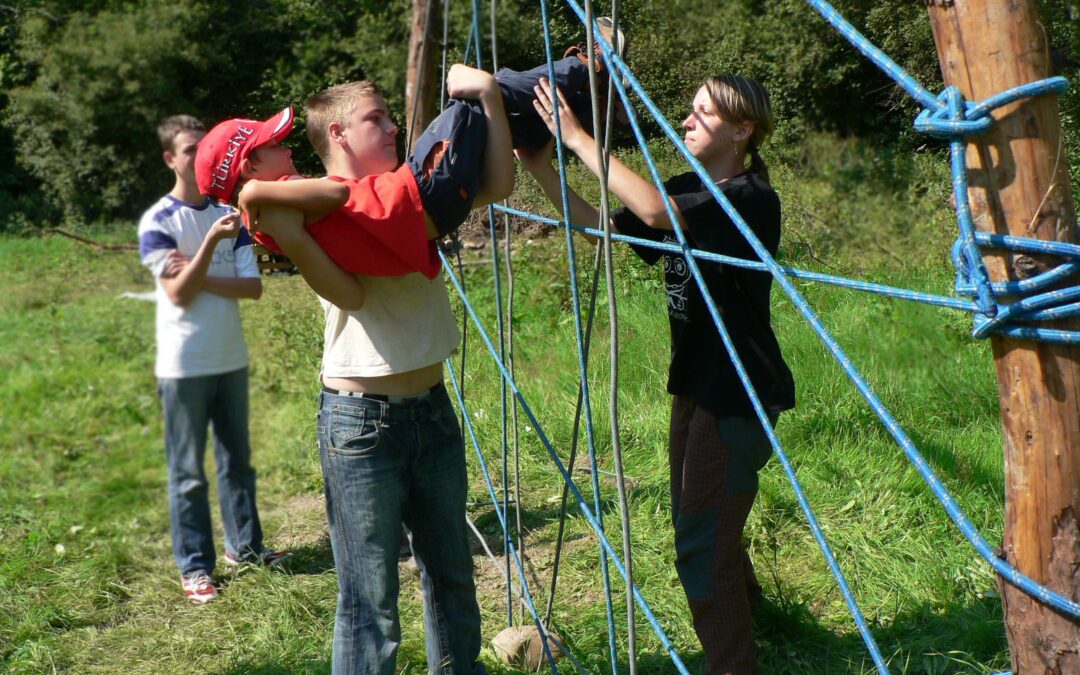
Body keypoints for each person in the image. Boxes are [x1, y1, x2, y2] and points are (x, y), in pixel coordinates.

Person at [516, 75, 795, 674]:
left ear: (743, 130)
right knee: (703, 520)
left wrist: (579, 139)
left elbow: (651, 209)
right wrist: (539, 162)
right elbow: (599, 224)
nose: (687, 121)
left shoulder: (749, 195)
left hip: (737, 394)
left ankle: (732, 665)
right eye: (688, 110)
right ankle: (761, 619)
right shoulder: (691, 188)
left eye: (703, 113)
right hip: (697, 386)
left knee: (699, 544)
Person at [194, 18, 626, 283]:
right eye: (275, 145)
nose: (287, 152)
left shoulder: (280, 212)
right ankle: (589, 72)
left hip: (433, 205)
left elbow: (499, 186)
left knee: (493, 102)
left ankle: (584, 98)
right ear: (250, 166)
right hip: (421, 188)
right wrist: (253, 195)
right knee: (473, 98)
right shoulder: (275, 197)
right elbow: (337, 194)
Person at [136, 115, 289, 605]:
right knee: (188, 472)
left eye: (201, 147)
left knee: (237, 462)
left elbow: (255, 288)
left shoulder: (229, 214)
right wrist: (208, 248)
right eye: (186, 149)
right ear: (169, 159)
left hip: (230, 357)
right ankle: (195, 567)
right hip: (184, 365)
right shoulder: (159, 221)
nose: (195, 155)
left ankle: (245, 548)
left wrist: (196, 271)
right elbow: (177, 296)